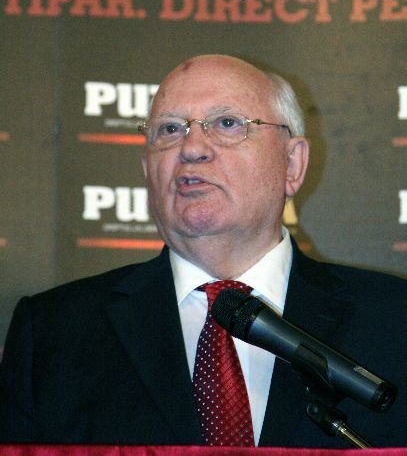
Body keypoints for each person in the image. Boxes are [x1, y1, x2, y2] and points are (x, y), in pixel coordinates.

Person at [0, 54, 405, 448]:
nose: (192, 148)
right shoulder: (54, 332)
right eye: (169, 129)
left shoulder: (395, 320)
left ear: (292, 164)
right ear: (147, 169)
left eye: (227, 123)